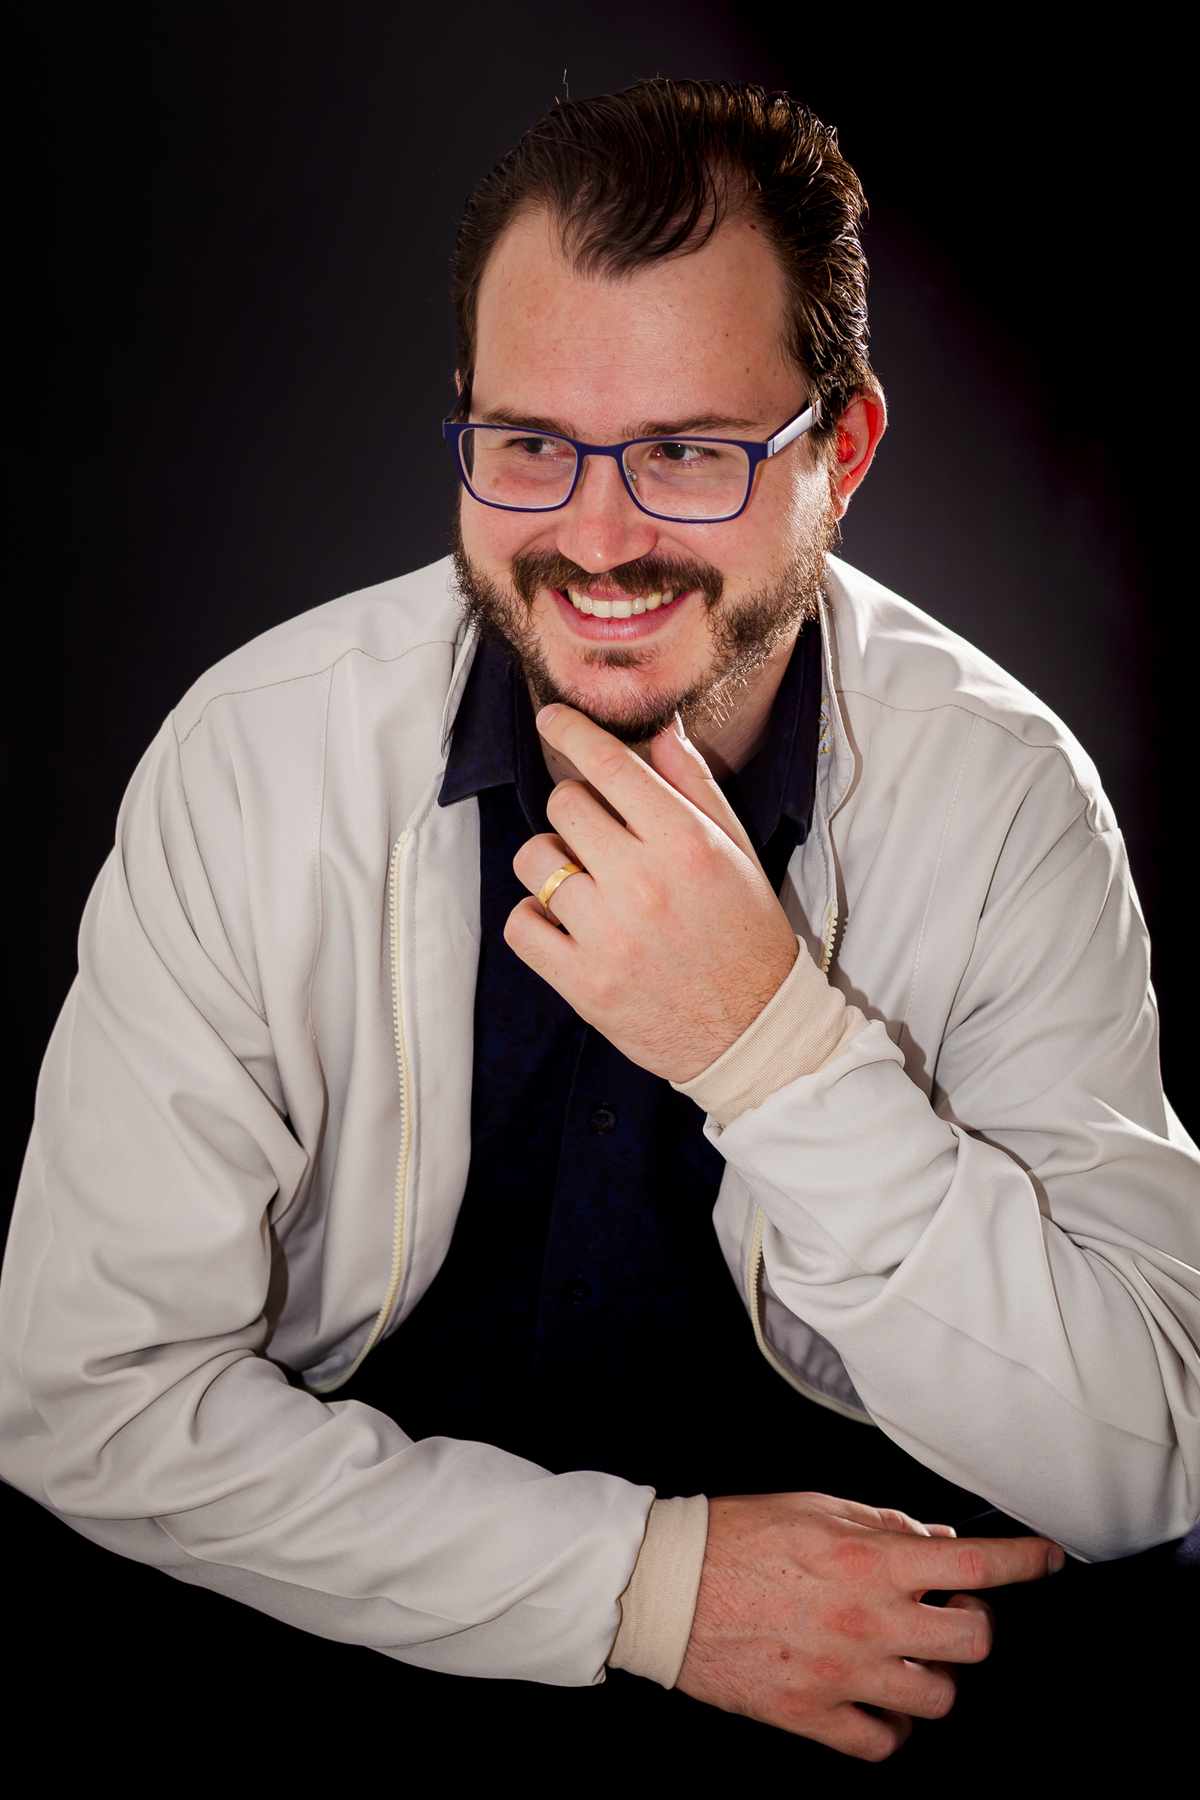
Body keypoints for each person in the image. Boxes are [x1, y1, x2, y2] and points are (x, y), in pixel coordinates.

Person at [2, 79, 1197, 1763]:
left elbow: (1149, 1461)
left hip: (850, 1654)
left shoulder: (1006, 799)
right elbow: (91, 1401)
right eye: (531, 445)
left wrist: (774, 1048)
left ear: (842, 453)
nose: (596, 537)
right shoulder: (253, 760)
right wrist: (652, 1589)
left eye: (690, 453)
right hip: (327, 1611)